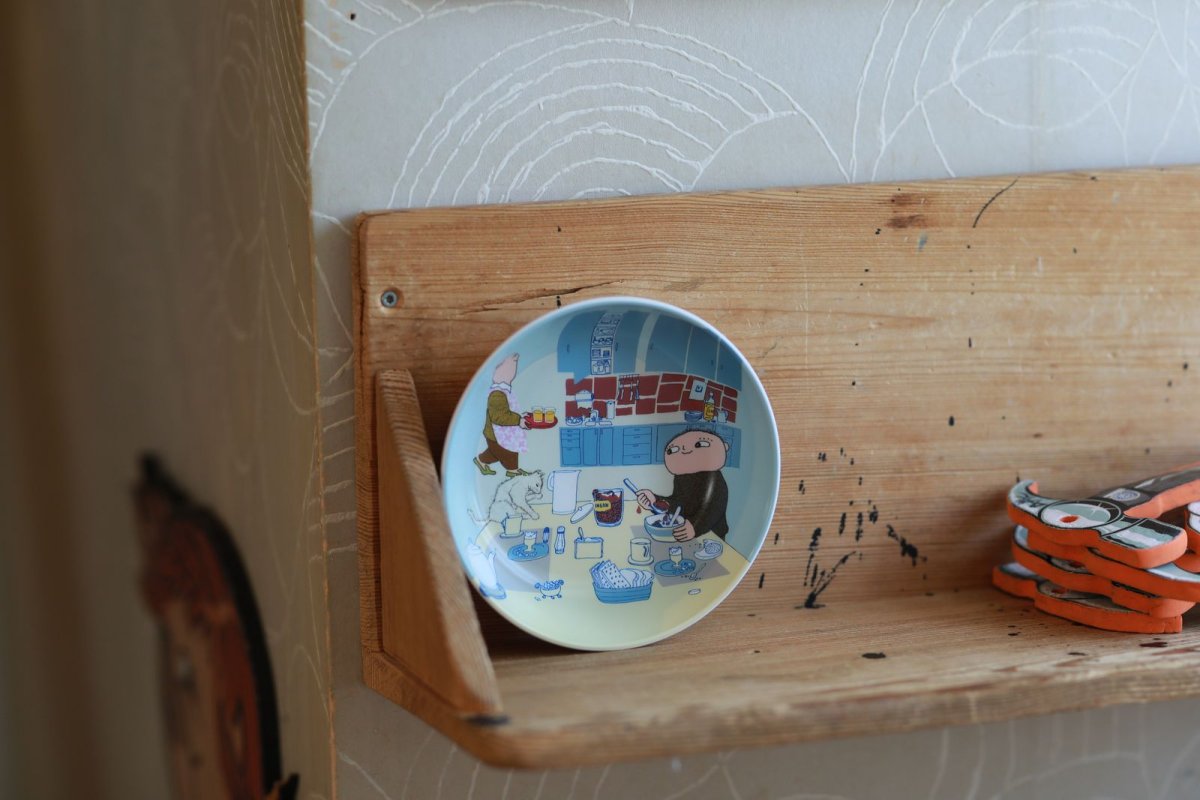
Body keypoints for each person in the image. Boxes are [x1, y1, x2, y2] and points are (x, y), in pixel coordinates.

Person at [636, 428, 730, 541]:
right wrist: (655, 501)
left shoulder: (713, 477)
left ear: (724, 447)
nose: (685, 449)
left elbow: (714, 508)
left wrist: (695, 527)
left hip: (712, 536)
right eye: (673, 450)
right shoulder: (681, 476)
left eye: (700, 444)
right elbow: (679, 504)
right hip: (684, 532)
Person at [474, 353, 530, 477]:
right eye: (509, 371)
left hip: (504, 432)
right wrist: (518, 420)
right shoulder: (497, 394)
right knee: (508, 451)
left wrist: (522, 416)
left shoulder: (505, 391)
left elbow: (510, 409)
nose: (512, 374)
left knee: (495, 453)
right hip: (496, 435)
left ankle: (481, 460)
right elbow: (498, 417)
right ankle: (513, 471)